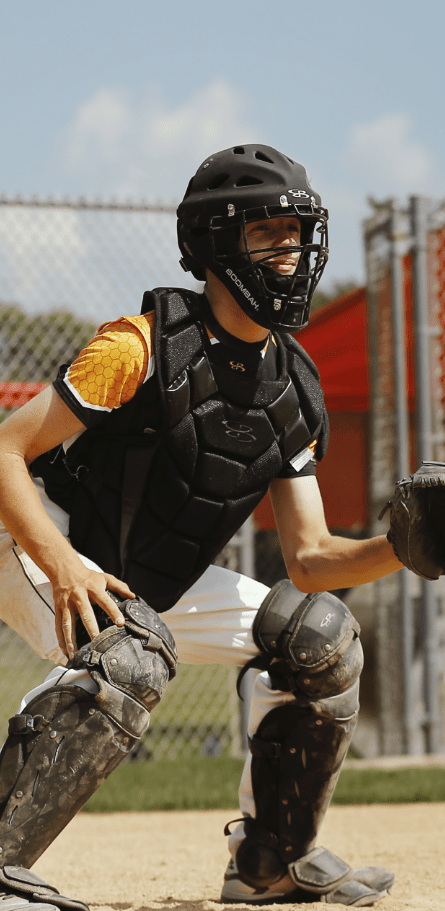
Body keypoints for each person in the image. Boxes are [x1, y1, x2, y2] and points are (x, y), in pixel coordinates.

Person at [0, 144, 402, 909]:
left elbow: (311, 558)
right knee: (130, 652)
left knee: (319, 635)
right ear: (216, 244)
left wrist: (404, 549)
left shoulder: (293, 388)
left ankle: (269, 862)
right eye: (267, 235)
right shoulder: (140, 344)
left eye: (296, 234)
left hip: (142, 581)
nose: (289, 253)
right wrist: (64, 565)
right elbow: (5, 453)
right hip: (37, 539)